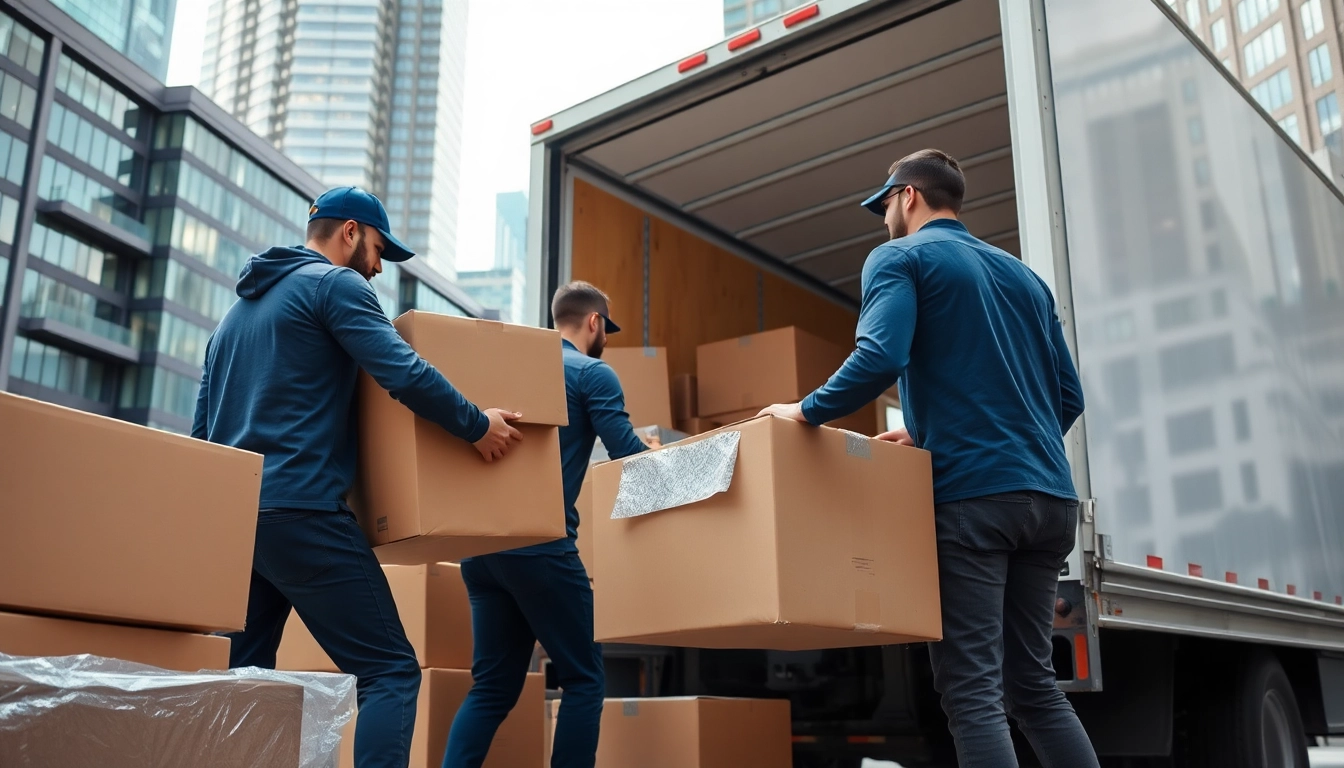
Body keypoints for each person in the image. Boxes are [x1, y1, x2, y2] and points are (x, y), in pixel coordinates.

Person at [758, 150, 1097, 768]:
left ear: (907, 196)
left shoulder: (898, 257)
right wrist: (930, 432)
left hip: (973, 499)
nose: (882, 217)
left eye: (883, 204)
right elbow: (1068, 397)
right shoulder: (1024, 278)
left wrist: (803, 411)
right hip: (1050, 498)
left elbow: (880, 358)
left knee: (972, 690)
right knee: (1034, 686)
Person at [192, 186, 523, 768]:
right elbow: (405, 373)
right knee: (390, 671)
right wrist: (478, 426)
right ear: (350, 232)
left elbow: (201, 434)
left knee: (243, 683)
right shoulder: (333, 285)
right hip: (304, 511)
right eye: (376, 250)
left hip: (240, 527)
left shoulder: (232, 319)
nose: (376, 268)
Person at [441, 281, 650, 768]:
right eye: (606, 328)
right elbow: (628, 456)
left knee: (492, 688)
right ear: (595, 322)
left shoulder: (508, 369)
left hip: (480, 550)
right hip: (541, 549)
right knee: (584, 679)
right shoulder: (593, 373)